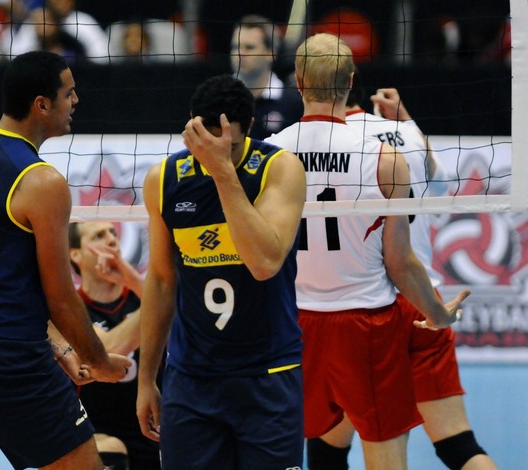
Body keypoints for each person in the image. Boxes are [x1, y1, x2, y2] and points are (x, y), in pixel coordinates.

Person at [265, 33, 470, 470]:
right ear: (351, 80)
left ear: (298, 82)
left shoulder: (269, 154)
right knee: (386, 457)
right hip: (366, 323)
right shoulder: (384, 158)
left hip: (296, 323)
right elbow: (400, 263)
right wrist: (437, 313)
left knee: (315, 455)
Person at [0, 50, 131, 470]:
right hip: (6, 356)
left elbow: (3, 278)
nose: (76, 101)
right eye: (69, 93)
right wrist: (99, 360)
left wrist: (56, 346)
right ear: (41, 104)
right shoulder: (42, 181)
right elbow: (59, 295)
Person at [303, 87, 499, 469]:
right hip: (426, 300)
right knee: (459, 445)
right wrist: (404, 118)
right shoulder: (405, 134)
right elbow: (441, 184)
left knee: (329, 449)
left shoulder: (326, 144)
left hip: (367, 308)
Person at [136, 74, 306, 470]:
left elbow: (264, 264)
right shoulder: (163, 180)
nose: (212, 155)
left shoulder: (279, 169)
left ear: (248, 129)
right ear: (191, 124)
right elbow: (161, 280)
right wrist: (147, 378)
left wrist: (222, 174)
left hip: (268, 375)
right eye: (204, 146)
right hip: (192, 379)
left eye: (225, 148)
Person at [69, 221, 162, 470]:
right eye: (99, 236)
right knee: (110, 449)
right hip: (99, 432)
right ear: (74, 254)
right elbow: (102, 350)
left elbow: (177, 324)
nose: (111, 239)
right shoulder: (71, 309)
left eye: (112, 232)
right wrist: (160, 297)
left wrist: (135, 281)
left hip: (157, 430)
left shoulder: (138, 295)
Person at [230, 14, 303, 139]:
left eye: (249, 47)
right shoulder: (216, 97)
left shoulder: (294, 104)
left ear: (271, 53)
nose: (240, 54)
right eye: (235, 47)